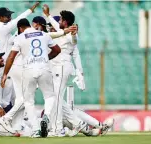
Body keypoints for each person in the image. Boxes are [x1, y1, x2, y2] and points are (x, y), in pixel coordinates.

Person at [42, 4, 114, 136]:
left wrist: (74, 34)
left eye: (61, 19)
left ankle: (57, 129)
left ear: (65, 21)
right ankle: (79, 126)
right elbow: (57, 26)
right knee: (56, 98)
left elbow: (74, 41)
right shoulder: (62, 30)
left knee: (57, 98)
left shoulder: (71, 35)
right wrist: (48, 15)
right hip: (59, 67)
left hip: (63, 66)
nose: (58, 22)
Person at [1, 18, 61, 138]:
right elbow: (57, 50)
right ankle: (46, 116)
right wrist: (46, 58)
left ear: (20, 28)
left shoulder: (20, 37)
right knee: (50, 96)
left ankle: (35, 130)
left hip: (28, 70)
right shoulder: (44, 34)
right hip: (44, 68)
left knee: (28, 101)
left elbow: (11, 57)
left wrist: (5, 74)